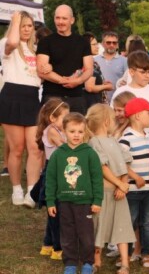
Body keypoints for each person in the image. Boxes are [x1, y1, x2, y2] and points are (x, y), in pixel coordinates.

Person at [45, 112, 104, 274]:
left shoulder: (89, 153)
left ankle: (87, 262)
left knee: (85, 234)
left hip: (85, 202)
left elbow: (97, 178)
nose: (76, 135)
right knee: (67, 234)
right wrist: (50, 201)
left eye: (80, 131)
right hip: (64, 202)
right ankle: (70, 262)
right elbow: (50, 179)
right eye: (72, 131)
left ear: (85, 132)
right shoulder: (58, 154)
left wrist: (97, 200)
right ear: (64, 131)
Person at [0, 11, 43, 207]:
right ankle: (17, 188)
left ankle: (32, 191)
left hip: (33, 99)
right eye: (23, 25)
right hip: (12, 97)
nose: (27, 29)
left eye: (30, 26)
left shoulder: (36, 48)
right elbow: (12, 42)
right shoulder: (6, 43)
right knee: (17, 148)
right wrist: (16, 17)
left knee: (34, 148)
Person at [86, 104, 135, 273]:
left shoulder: (114, 140)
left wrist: (123, 183)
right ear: (107, 122)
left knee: (122, 226)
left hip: (119, 193)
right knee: (98, 226)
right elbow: (102, 166)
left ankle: (125, 263)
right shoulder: (94, 142)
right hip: (102, 193)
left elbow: (125, 161)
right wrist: (119, 183)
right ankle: (96, 260)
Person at [118, 98, 149, 267]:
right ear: (136, 116)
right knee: (131, 221)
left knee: (147, 222)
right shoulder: (126, 139)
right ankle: (127, 254)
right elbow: (121, 163)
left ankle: (146, 253)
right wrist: (135, 177)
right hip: (133, 190)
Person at [110, 50, 149, 161]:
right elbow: (113, 118)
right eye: (143, 72)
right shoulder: (121, 91)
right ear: (131, 72)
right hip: (124, 147)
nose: (147, 76)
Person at [37, 4, 94, 114]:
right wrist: (63, 80)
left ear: (72, 20)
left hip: (76, 97)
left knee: (77, 130)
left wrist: (78, 81)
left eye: (64, 18)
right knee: (51, 130)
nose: (60, 22)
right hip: (52, 96)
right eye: (58, 18)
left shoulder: (82, 42)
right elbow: (41, 71)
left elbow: (89, 69)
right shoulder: (45, 42)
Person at [35, 98, 70, 261]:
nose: (68, 120)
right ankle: (58, 248)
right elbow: (64, 146)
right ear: (52, 118)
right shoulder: (51, 131)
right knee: (56, 211)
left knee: (54, 211)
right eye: (65, 117)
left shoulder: (60, 128)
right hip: (53, 172)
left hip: (60, 170)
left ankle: (47, 245)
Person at [82, 32, 113, 108]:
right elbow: (89, 87)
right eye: (94, 44)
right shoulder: (88, 62)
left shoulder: (91, 61)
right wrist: (106, 87)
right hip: (92, 105)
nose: (98, 47)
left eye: (97, 44)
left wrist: (102, 82)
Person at [94, 31, 127, 101]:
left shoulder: (125, 61)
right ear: (102, 44)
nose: (111, 45)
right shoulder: (94, 60)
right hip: (98, 100)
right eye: (108, 42)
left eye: (114, 43)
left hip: (118, 100)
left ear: (117, 45)